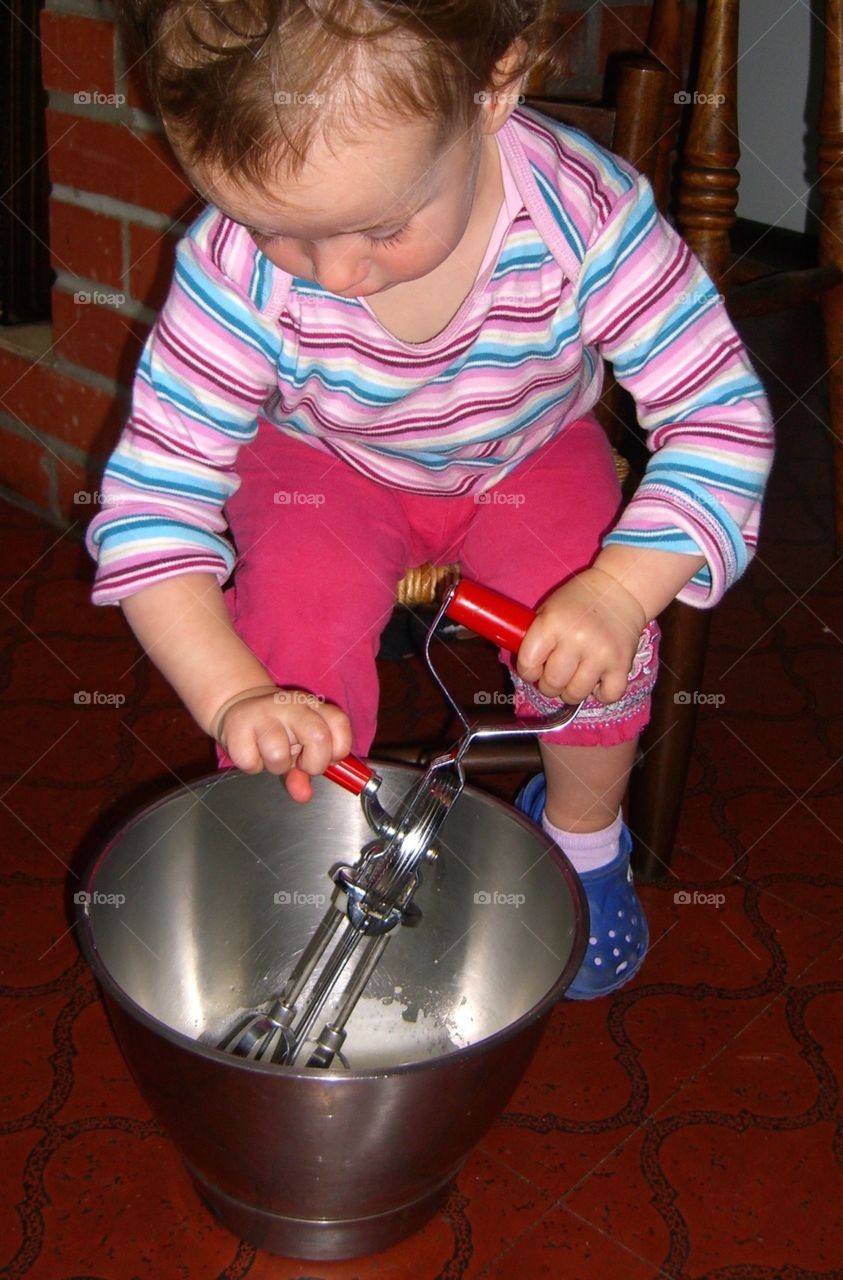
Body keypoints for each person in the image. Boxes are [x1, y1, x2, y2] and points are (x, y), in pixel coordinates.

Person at [86, 0, 774, 999]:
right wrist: (232, 695)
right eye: (277, 230)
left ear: (493, 90)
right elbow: (154, 498)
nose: (335, 275)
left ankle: (585, 839)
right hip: (321, 464)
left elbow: (720, 415)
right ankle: (308, 854)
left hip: (529, 455)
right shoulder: (230, 267)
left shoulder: (582, 212)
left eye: (381, 228)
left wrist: (620, 591)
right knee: (296, 626)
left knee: (597, 646)